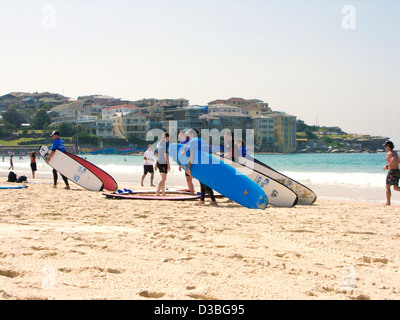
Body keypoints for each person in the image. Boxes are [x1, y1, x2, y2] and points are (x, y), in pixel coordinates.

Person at [186, 128, 217, 206]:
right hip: (206, 163)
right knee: (202, 181)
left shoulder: (193, 141)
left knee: (204, 183)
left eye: (189, 134)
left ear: (192, 134)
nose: (188, 136)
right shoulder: (201, 140)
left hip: (201, 164)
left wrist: (189, 167)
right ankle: (202, 200)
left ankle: (213, 200)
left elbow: (192, 155)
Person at [383, 140, 400, 205]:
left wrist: (387, 165)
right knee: (395, 187)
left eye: (385, 146)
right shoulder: (395, 152)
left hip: (392, 171)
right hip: (397, 171)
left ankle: (388, 202)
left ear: (388, 146)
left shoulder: (389, 153)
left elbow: (394, 160)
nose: (385, 148)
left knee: (387, 187)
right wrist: (391, 165)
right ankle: (388, 202)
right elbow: (398, 161)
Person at [178, 130, 195, 195]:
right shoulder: (182, 142)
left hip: (194, 161)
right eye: (179, 136)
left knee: (199, 178)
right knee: (188, 179)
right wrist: (180, 164)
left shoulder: (190, 139)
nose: (180, 137)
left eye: (181, 135)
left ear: (184, 134)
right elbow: (181, 154)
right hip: (186, 163)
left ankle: (206, 191)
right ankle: (192, 193)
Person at [154, 132, 170, 196]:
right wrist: (168, 164)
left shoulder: (158, 143)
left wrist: (155, 164)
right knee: (163, 179)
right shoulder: (165, 144)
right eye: (168, 138)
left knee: (163, 178)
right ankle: (157, 193)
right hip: (163, 162)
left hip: (158, 162)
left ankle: (163, 193)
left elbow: (156, 155)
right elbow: (166, 154)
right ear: (167, 137)